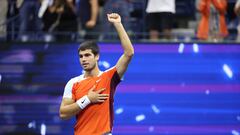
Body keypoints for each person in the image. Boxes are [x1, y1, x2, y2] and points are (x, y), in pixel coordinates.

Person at [59, 13, 134, 135]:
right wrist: (87, 99)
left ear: (97, 56)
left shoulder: (109, 77)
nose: (83, 59)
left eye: (87, 55)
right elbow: (63, 113)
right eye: (81, 56)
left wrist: (118, 24)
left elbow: (129, 53)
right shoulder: (73, 83)